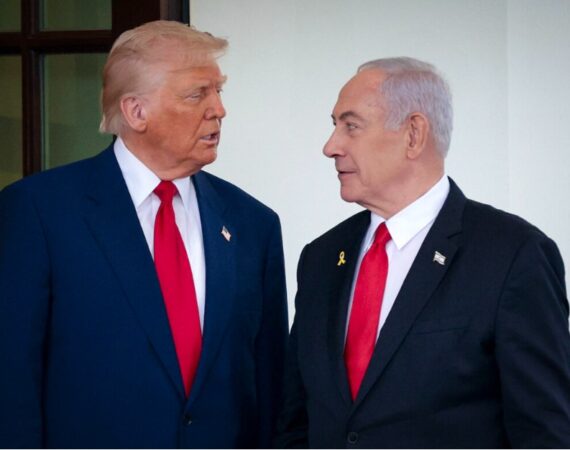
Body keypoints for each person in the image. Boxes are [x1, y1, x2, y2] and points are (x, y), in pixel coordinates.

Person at [0, 20, 288, 448]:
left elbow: (270, 386)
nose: (219, 109)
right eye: (197, 94)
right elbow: (11, 380)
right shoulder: (39, 211)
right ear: (136, 112)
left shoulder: (253, 223)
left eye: (218, 91)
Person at [275, 57, 570, 448]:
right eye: (334, 126)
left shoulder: (513, 255)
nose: (331, 147)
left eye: (351, 126)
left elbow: (544, 433)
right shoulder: (322, 258)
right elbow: (296, 422)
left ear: (413, 134)